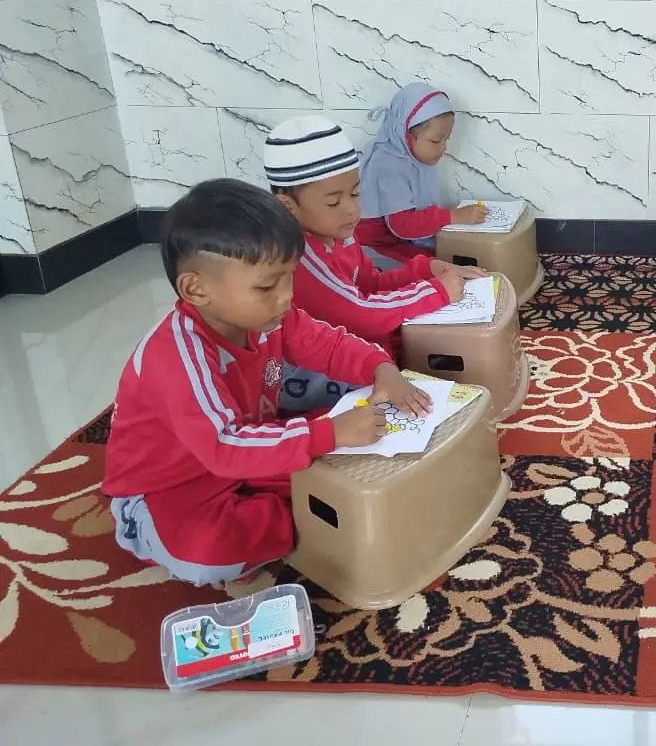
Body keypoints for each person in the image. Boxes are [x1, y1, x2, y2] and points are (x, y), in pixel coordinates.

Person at [103, 179, 432, 587]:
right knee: (212, 552)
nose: (285, 296)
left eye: (290, 277)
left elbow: (328, 344)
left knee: (352, 453)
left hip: (247, 450)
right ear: (196, 288)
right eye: (266, 286)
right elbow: (224, 445)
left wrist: (380, 368)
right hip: (174, 486)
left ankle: (289, 510)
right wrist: (328, 434)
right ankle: (149, 530)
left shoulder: (269, 318)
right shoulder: (175, 357)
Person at [264, 116, 485, 387]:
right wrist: (436, 291)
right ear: (288, 207)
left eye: (355, 194)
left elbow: (371, 285)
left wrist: (425, 270)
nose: (351, 209)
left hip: (356, 339)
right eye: (334, 202)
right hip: (310, 373)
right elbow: (362, 314)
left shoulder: (338, 234)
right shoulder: (302, 256)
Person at [354, 82, 489, 264]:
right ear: (406, 134)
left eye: (446, 139)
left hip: (398, 239)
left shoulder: (411, 156)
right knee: (436, 268)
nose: (443, 148)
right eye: (436, 141)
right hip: (375, 244)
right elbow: (402, 226)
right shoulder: (387, 164)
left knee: (450, 259)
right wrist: (454, 216)